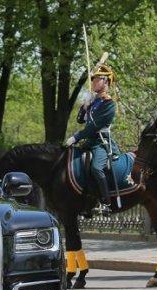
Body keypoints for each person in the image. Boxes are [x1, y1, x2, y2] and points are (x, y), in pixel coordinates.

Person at [64, 61, 120, 207]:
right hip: (89, 141)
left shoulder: (109, 104)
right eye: (93, 79)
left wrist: (76, 137)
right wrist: (84, 106)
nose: (93, 82)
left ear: (106, 81)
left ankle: (107, 202)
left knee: (96, 168)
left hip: (101, 142)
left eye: (96, 79)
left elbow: (93, 127)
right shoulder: (94, 102)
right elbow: (80, 120)